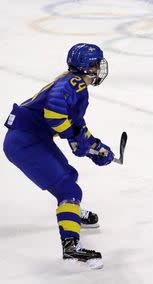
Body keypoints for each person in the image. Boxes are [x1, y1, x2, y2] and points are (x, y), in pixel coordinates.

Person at [3, 43, 114, 269]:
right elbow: (54, 116)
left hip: (30, 138)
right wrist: (78, 139)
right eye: (94, 65)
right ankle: (71, 246)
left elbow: (75, 126)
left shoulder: (75, 85)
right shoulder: (72, 84)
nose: (98, 69)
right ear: (84, 67)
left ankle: (70, 212)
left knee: (69, 177)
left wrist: (94, 147)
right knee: (68, 189)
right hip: (25, 142)